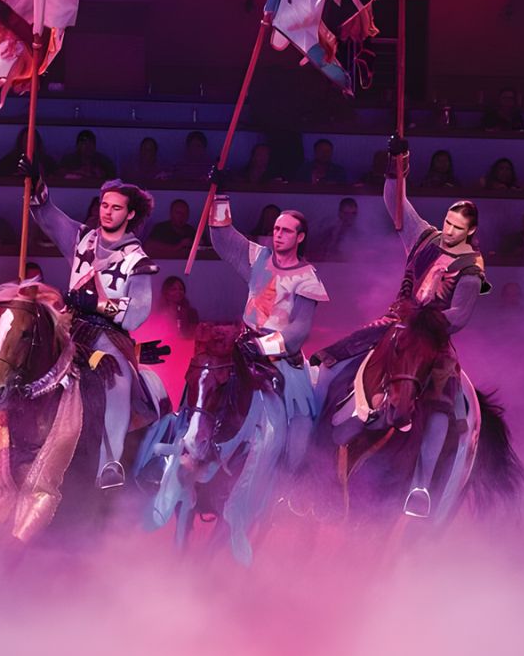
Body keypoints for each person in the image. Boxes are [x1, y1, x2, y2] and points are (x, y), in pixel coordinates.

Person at [315, 137, 489, 518]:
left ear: (470, 232)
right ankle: (315, 449)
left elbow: (458, 316)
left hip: (432, 340)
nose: (449, 231)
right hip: (395, 324)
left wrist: (424, 319)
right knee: (333, 359)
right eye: (448, 223)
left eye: (457, 228)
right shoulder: (424, 237)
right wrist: (397, 164)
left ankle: (421, 485)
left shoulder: (471, 269)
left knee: (441, 402)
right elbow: (396, 202)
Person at [23, 162, 164, 489]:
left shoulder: (138, 260)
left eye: (116, 208)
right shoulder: (81, 238)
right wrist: (37, 184)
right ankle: (1, 434)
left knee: (117, 380)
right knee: (22, 355)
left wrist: (97, 304)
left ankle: (109, 462)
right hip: (68, 326)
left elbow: (136, 314)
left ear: (130, 214)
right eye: (104, 205)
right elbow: (48, 216)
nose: (107, 212)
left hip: (108, 335)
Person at [207, 190, 329, 471]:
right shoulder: (258, 256)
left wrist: (262, 347)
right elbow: (223, 238)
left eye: (286, 231)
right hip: (244, 343)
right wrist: (219, 197)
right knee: (205, 380)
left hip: (280, 357)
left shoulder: (307, 277)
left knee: (300, 419)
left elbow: (299, 331)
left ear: (300, 237)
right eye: (276, 229)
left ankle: (291, 472)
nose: (278, 235)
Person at [308, 197, 361, 261]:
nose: (350, 217)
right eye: (346, 213)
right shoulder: (328, 232)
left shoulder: (360, 235)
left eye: (353, 213)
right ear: (340, 213)